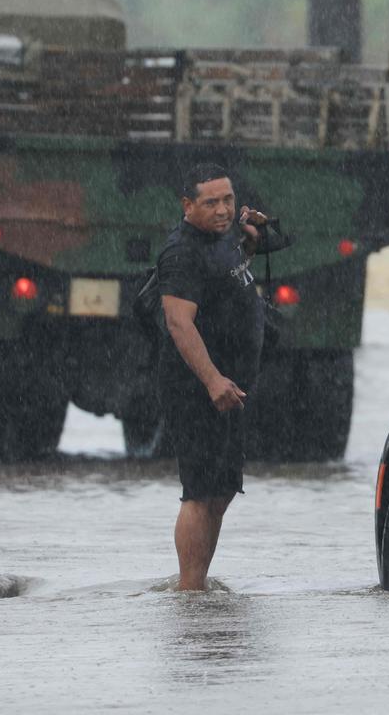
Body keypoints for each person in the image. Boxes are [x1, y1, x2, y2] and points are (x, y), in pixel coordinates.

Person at [157, 163, 267, 591]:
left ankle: (198, 583)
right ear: (188, 205)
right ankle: (189, 592)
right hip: (197, 388)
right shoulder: (181, 253)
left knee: (221, 490)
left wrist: (252, 244)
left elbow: (227, 285)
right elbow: (179, 323)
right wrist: (212, 380)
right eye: (211, 202)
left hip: (231, 386)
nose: (223, 210)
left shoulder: (224, 239)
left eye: (228, 200)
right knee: (199, 492)